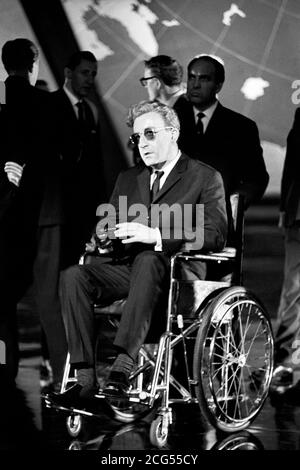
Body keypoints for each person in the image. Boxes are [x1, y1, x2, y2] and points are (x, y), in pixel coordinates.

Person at [52, 101, 227, 404]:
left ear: (173, 133)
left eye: (149, 134)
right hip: (128, 269)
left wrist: (158, 236)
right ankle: (84, 380)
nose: (141, 144)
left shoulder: (205, 177)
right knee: (73, 276)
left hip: (176, 272)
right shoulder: (128, 179)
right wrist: (103, 238)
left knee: (149, 258)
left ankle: (122, 367)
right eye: (136, 138)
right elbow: (108, 226)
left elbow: (214, 235)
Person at [0, 38, 66, 385]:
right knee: (49, 299)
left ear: (3, 64)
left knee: (2, 299)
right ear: (34, 65)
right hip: (46, 214)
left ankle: (4, 368)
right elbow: (69, 159)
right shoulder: (50, 104)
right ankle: (62, 377)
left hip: (5, 214)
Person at [176, 54, 269, 220]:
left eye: (204, 79)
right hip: (171, 223)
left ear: (218, 86)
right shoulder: (169, 122)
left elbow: (256, 178)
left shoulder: (242, 127)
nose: (195, 85)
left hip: (219, 222)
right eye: (192, 77)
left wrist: (235, 204)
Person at [51, 51, 106, 263]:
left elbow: (96, 161)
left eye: (93, 74)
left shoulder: (91, 110)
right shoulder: (50, 104)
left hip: (84, 205)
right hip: (57, 204)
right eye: (85, 73)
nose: (90, 80)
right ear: (68, 73)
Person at [271, 108, 300, 392]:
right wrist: (284, 208)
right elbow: (293, 165)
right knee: (292, 290)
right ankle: (285, 361)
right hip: (297, 215)